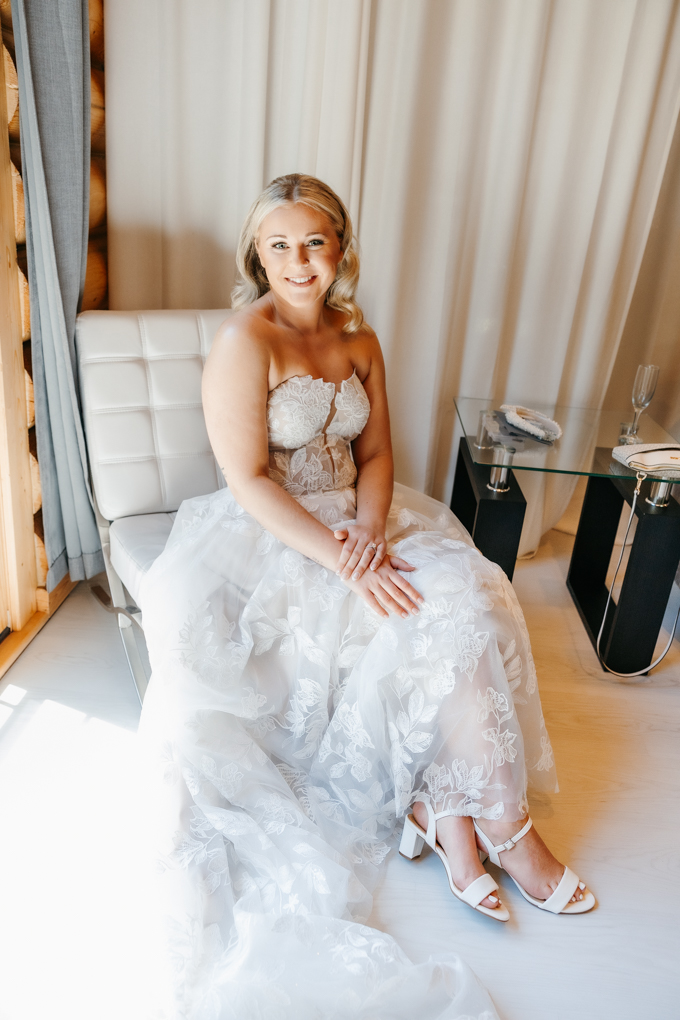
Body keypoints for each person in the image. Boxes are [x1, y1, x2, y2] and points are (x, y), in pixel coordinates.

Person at [138, 173, 594, 1020]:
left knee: (472, 599)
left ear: (340, 249)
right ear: (257, 255)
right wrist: (345, 562)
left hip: (363, 521)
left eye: (313, 242)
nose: (297, 261)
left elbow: (380, 453)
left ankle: (469, 815)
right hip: (276, 536)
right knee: (407, 621)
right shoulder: (247, 340)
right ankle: (490, 827)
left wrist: (373, 531)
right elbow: (245, 480)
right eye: (278, 245)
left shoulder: (360, 338)